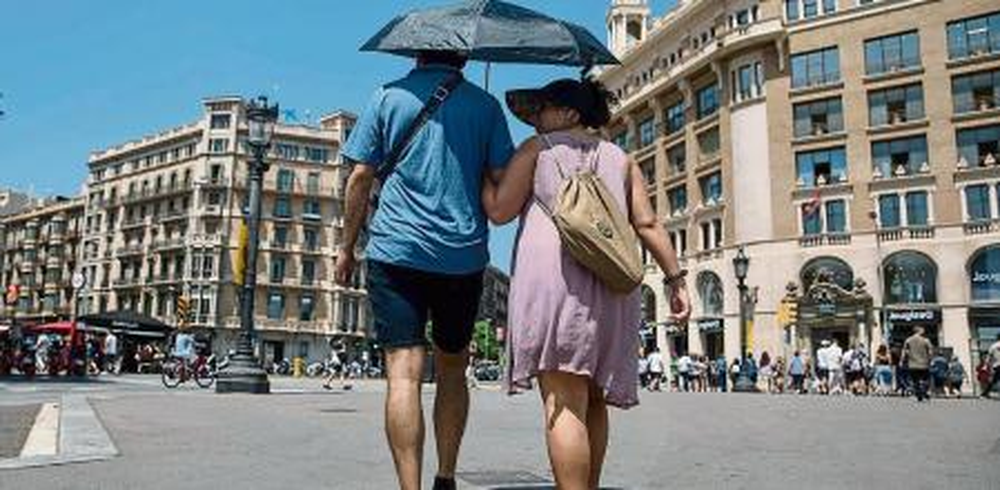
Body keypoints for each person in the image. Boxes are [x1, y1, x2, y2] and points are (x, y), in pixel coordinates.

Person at [483, 77, 692, 490]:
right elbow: (647, 224)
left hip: (555, 282)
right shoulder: (621, 158)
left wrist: (482, 173)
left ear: (569, 113)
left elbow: (499, 211)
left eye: (542, 109)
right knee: (595, 399)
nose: (536, 120)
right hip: (614, 285)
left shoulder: (536, 151)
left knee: (563, 402)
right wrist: (675, 279)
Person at [336, 49, 514, 490]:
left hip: (395, 252)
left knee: (403, 372)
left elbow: (360, 177)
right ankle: (446, 477)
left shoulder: (386, 96)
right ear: (464, 57)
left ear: (416, 52)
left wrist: (347, 248)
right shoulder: (485, 106)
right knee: (453, 368)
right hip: (462, 256)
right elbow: (501, 182)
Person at [901, 326, 934, 402]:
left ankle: (919, 394)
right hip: (924, 364)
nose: (924, 331)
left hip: (912, 364)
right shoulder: (926, 340)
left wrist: (902, 361)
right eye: (922, 330)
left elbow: (904, 351)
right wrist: (930, 360)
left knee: (915, 380)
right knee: (926, 379)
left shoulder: (908, 340)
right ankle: (924, 391)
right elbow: (930, 352)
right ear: (919, 331)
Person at [981, 334, 1000, 399]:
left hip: (997, 366)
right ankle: (985, 394)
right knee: (994, 380)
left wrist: (985, 365)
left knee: (993, 381)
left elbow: (988, 357)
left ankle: (984, 394)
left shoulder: (993, 346)